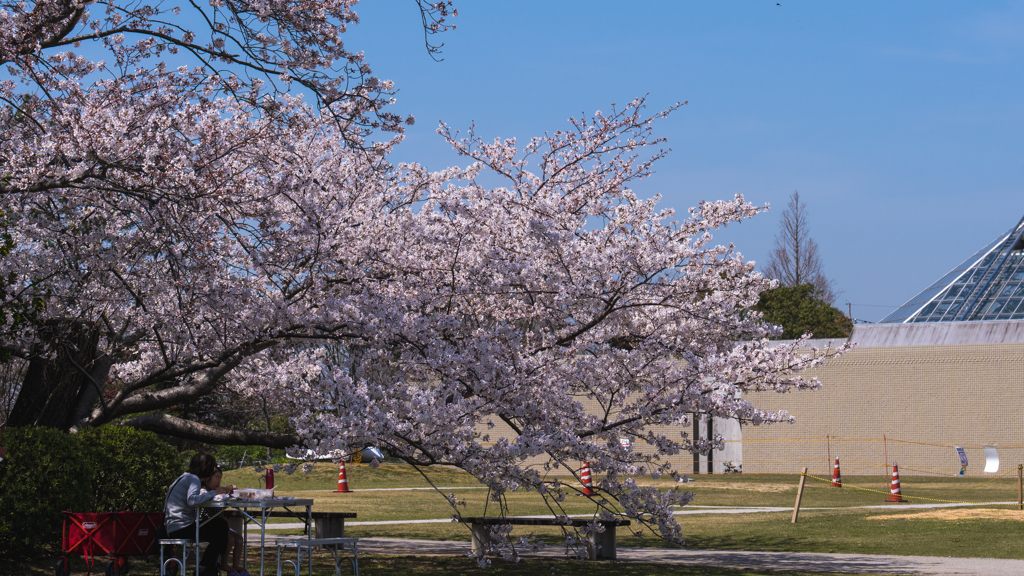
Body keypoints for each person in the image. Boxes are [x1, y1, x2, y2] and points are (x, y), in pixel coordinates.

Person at [163, 453, 236, 575]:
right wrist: (213, 493)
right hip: (182, 527)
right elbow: (192, 500)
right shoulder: (193, 479)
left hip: (173, 526)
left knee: (219, 528)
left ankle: (208, 566)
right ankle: (205, 568)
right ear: (206, 468)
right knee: (221, 526)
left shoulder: (185, 477)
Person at [201, 467, 248, 576]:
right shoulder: (204, 492)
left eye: (220, 478)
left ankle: (235, 565)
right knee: (230, 539)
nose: (218, 481)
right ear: (208, 478)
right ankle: (224, 564)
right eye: (216, 477)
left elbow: (224, 491)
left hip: (221, 525)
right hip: (208, 525)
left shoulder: (218, 491)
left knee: (239, 539)